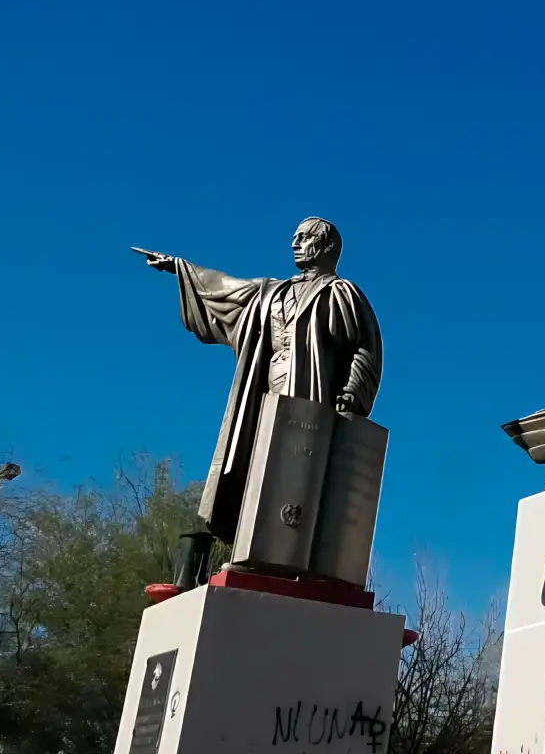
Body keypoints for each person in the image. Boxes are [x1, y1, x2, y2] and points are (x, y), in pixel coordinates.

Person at [138, 217, 381, 542]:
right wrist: (181, 268)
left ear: (328, 247)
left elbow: (365, 347)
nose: (295, 243)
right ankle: (254, 546)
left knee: (301, 477)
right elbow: (224, 287)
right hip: (266, 397)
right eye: (294, 237)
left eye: (305, 237)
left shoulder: (341, 294)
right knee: (259, 467)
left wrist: (353, 392)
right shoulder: (271, 291)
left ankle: (289, 548)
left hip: (313, 398)